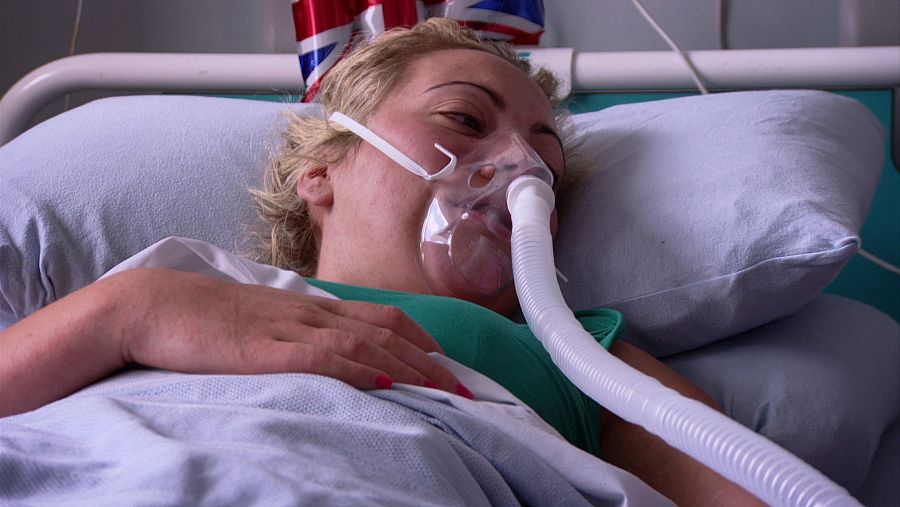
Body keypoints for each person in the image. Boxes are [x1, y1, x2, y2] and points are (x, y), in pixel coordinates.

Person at [0, 18, 762, 506]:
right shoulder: (183, 289)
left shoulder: (580, 356)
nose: (519, 167)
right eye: (463, 118)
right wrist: (126, 310)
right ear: (322, 169)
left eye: (547, 166)